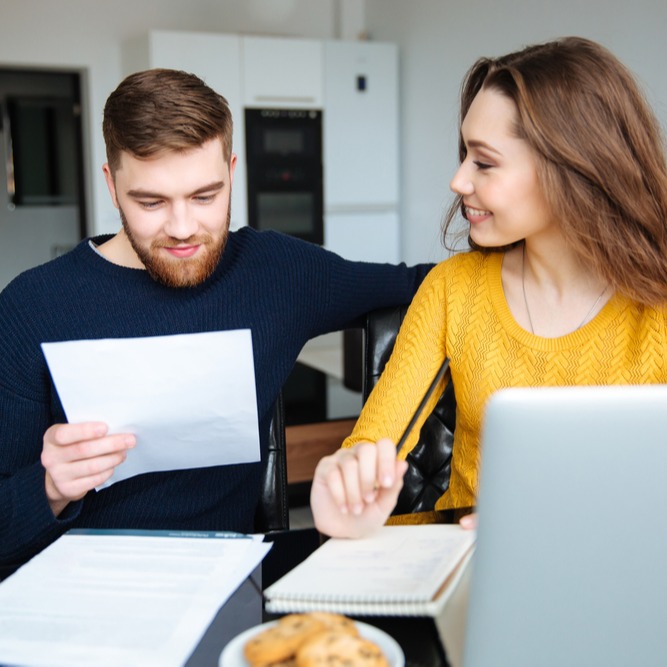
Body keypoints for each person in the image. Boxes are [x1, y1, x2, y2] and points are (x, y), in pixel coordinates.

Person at [0, 68, 432, 575]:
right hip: (82, 589)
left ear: (232, 170)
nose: (183, 228)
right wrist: (48, 488)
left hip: (223, 579)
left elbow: (424, 284)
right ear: (111, 185)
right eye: (151, 202)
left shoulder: (276, 272)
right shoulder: (31, 306)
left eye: (206, 196)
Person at [311, 36, 667, 539]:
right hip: (469, 565)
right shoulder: (452, 290)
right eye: (464, 156)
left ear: (572, 169)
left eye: (484, 162)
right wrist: (346, 479)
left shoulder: (657, 306)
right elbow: (372, 441)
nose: (458, 181)